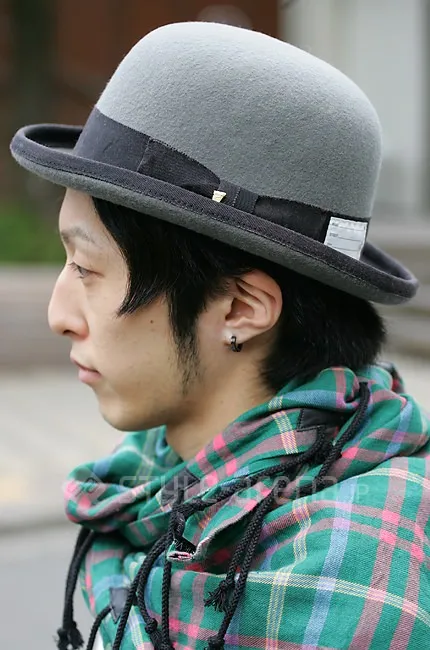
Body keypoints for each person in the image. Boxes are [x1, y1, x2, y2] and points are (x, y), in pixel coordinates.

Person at [10, 21, 429, 650]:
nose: (59, 314)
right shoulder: (162, 480)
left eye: (88, 269)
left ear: (239, 308)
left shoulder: (363, 581)